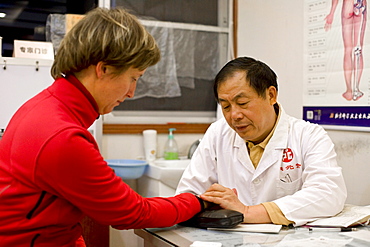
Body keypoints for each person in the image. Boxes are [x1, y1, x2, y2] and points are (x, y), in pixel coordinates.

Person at [0, 7, 209, 246]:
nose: (132, 93)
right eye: (134, 78)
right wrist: (197, 202)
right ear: (104, 68)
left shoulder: (42, 107)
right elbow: (131, 212)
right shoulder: (62, 136)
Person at [177, 57, 347, 226]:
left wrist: (249, 212)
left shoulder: (308, 135)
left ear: (271, 95)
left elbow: (329, 193)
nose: (234, 115)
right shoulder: (217, 133)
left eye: (242, 103)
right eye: (226, 106)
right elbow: (188, 193)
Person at [324, 0, 367, 101]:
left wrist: (331, 13)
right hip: (360, 4)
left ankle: (349, 90)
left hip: (348, 4)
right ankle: (356, 88)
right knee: (358, 49)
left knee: (348, 50)